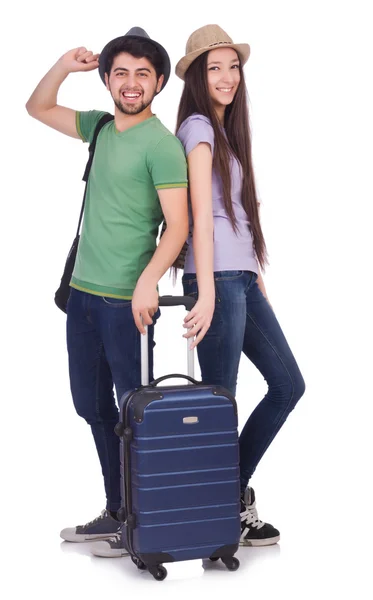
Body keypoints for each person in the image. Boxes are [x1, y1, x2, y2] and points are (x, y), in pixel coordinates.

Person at [26, 27, 188, 544]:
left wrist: (147, 283)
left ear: (159, 81)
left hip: (127, 304)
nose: (132, 82)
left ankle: (146, 520)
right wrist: (62, 63)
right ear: (108, 81)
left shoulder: (162, 145)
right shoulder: (98, 128)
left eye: (143, 73)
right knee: (92, 407)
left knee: (133, 412)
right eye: (121, 72)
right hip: (82, 296)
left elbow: (178, 227)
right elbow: (37, 106)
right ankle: (119, 511)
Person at [175, 24, 306, 546]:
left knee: (287, 385)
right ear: (197, 77)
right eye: (215, 68)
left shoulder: (230, 131)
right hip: (216, 280)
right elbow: (201, 218)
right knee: (220, 401)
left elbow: (239, 217)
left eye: (233, 67)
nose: (228, 77)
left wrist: (257, 274)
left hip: (241, 279)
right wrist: (205, 290)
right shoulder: (199, 128)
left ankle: (228, 494)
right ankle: (216, 515)